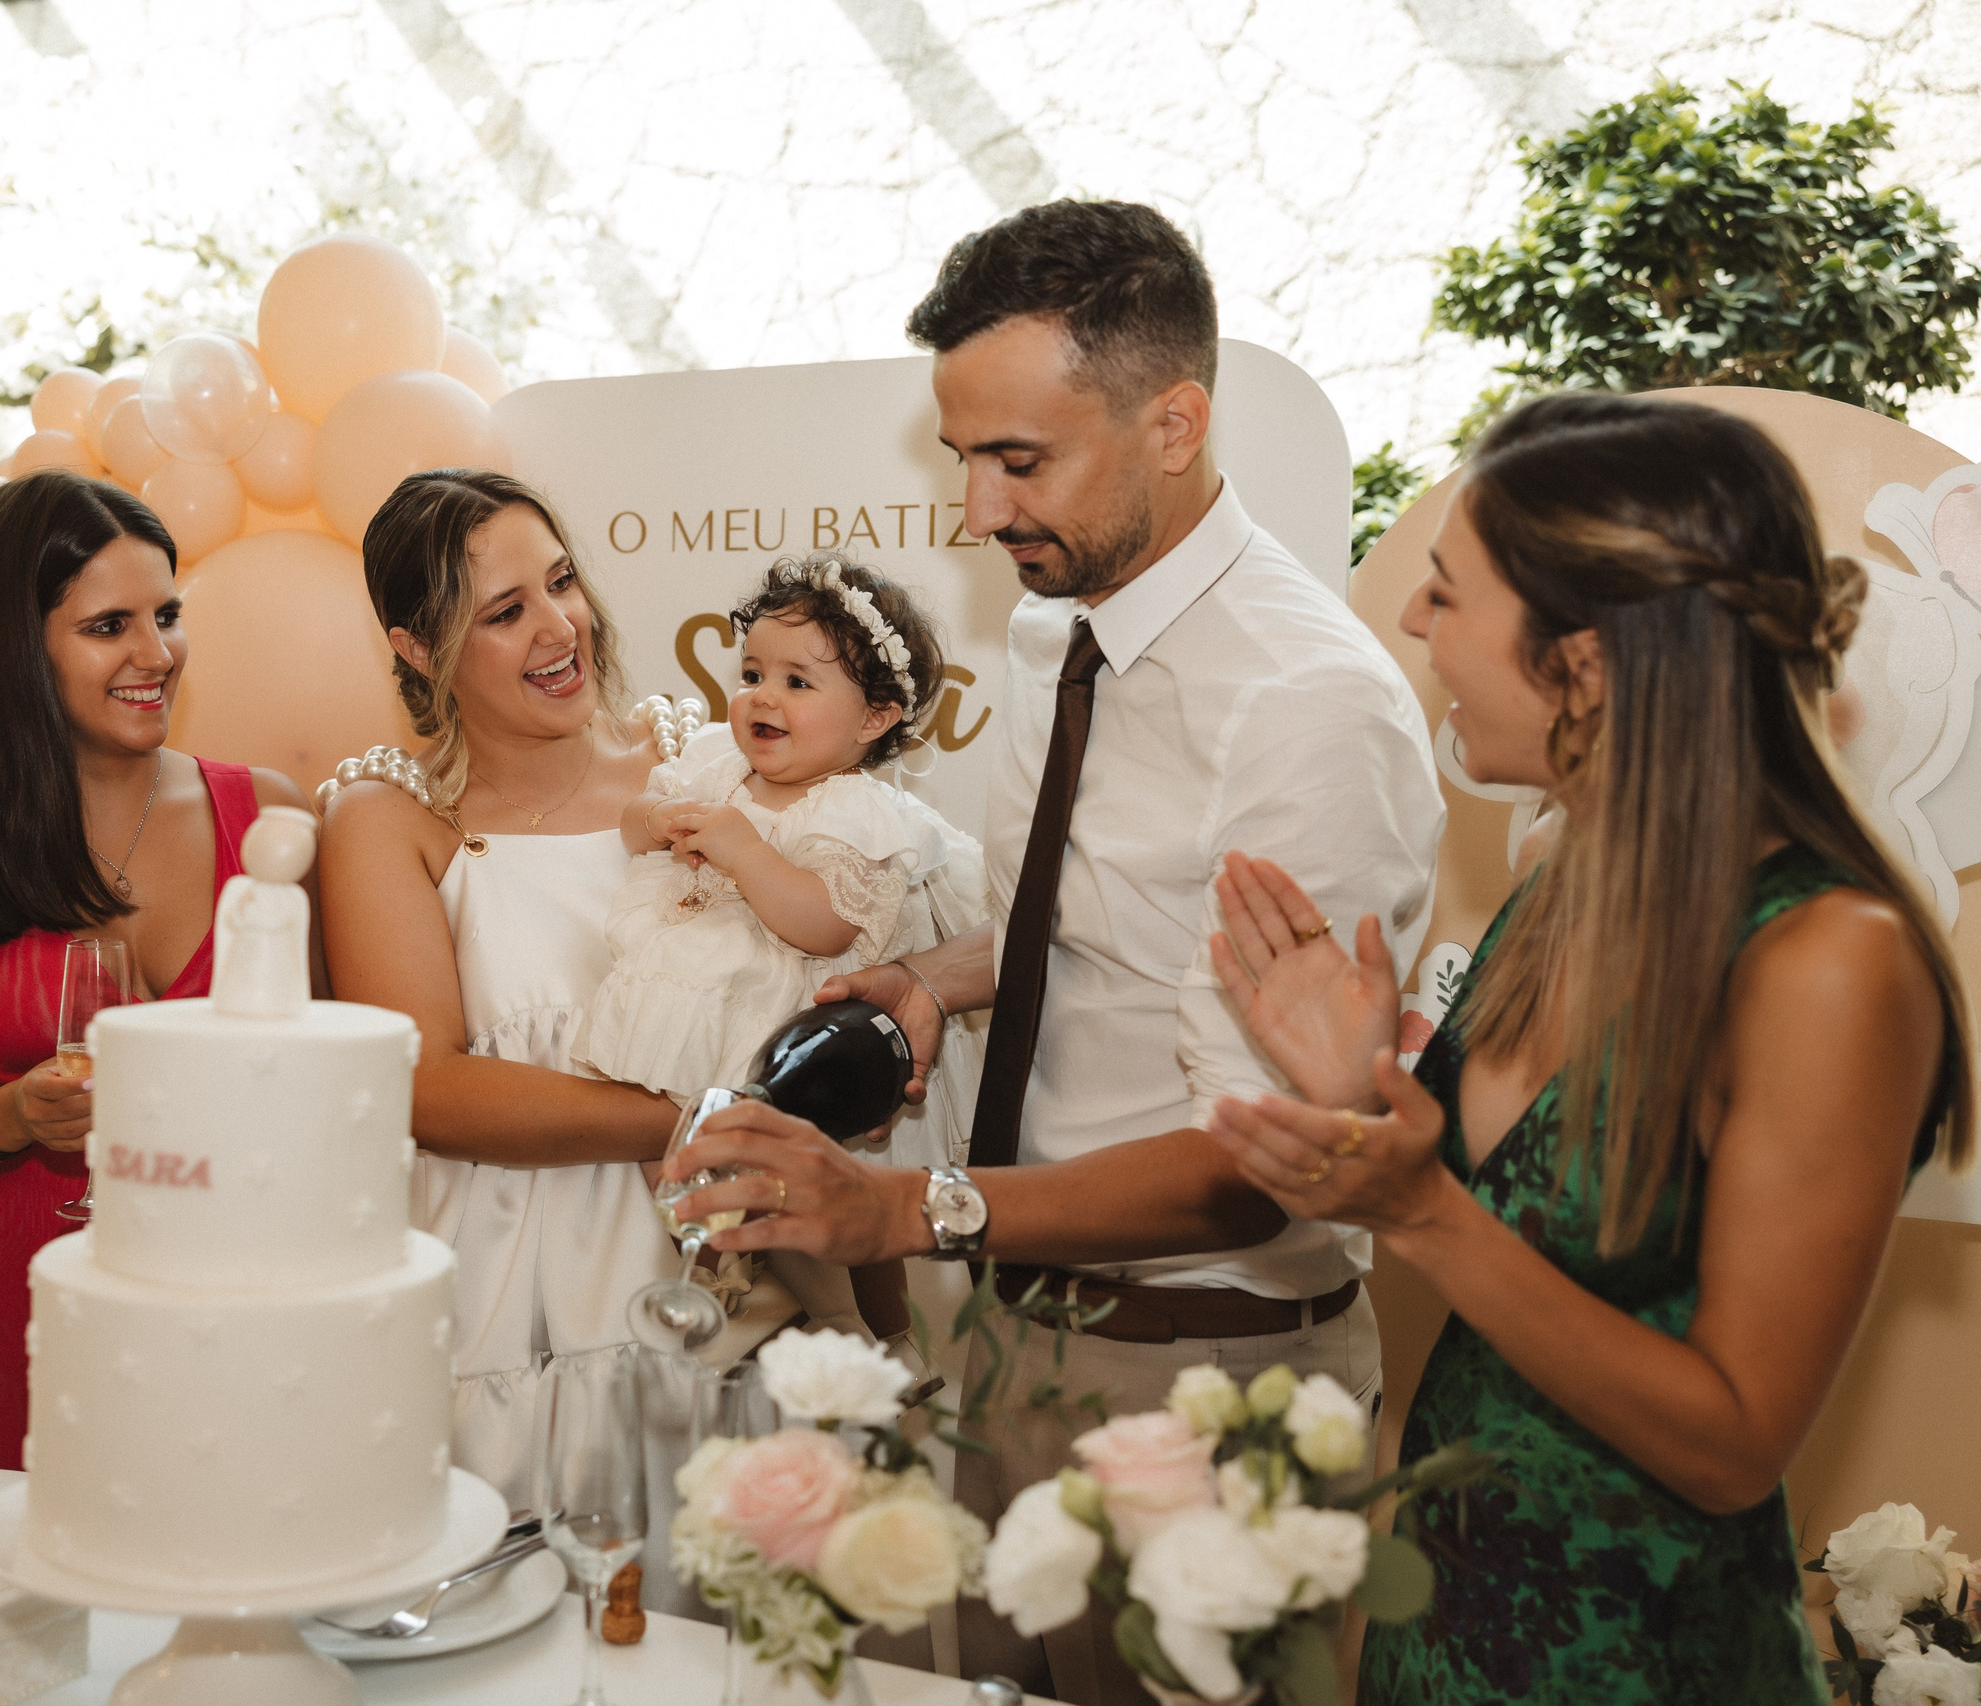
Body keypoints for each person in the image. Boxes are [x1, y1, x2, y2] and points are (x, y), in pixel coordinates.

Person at [661, 199, 1445, 1703]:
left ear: (1174, 420)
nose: (973, 509)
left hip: (1210, 1374)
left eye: (1017, 459)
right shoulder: (1052, 628)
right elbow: (1076, 930)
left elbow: (1265, 1151)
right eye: (963, 454)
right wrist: (937, 978)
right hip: (1016, 1323)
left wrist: (897, 1211)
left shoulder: (1304, 706)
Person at [1201, 394, 1970, 1703]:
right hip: (1441, 1628)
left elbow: (1733, 1441)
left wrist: (1426, 1211)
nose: (1411, 625)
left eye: (1448, 594)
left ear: (1588, 662)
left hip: (1641, 1657)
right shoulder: (1563, 890)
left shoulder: (1830, 959)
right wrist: (1351, 1101)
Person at [0, 469, 315, 1472]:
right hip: (14, 1294)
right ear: (15, 643)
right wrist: (7, 1120)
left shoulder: (271, 819)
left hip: (226, 1280)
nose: (156, 654)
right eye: (108, 624)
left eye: (166, 614)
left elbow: (327, 1079)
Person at [316, 468, 697, 1527]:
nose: (559, 626)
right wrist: (689, 1117)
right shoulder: (388, 817)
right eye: (505, 611)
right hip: (507, 1314)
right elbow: (427, 1088)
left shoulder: (690, 762)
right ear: (418, 650)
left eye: (562, 581)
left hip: (711, 1264)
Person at [581, 552, 988, 1338]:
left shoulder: (858, 813)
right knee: (663, 1136)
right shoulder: (714, 763)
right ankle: (725, 1269)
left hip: (796, 1024)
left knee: (856, 1202)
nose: (763, 697)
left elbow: (827, 921)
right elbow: (633, 819)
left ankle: (890, 1340)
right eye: (753, 674)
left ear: (873, 719)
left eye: (799, 683)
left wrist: (748, 854)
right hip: (702, 992)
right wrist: (654, 823)